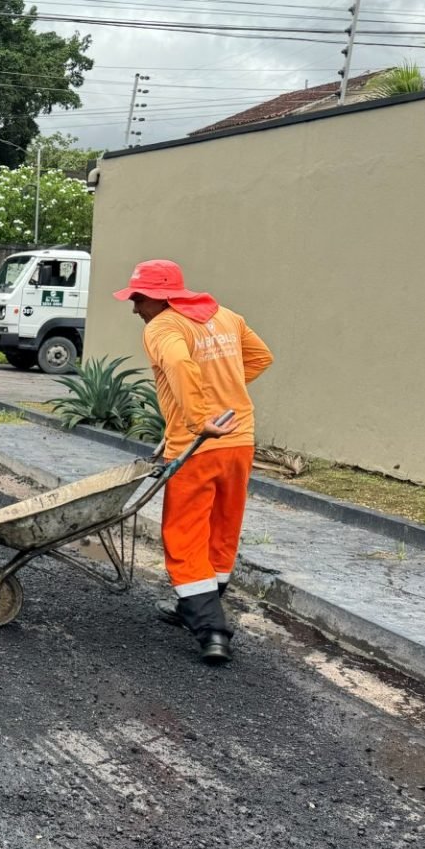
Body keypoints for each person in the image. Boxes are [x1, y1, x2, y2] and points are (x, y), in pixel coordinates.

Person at [115, 259, 273, 666]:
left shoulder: (163, 327)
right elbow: (259, 358)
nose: (135, 308)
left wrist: (199, 417)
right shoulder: (226, 316)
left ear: (160, 297)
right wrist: (226, 395)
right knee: (222, 527)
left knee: (184, 534)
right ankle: (196, 608)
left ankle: (211, 630)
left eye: (139, 299)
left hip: (198, 445)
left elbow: (182, 366)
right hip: (238, 442)